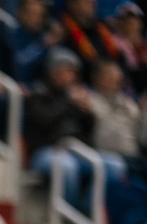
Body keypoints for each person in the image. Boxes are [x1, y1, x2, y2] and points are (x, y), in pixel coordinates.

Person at [24, 46, 127, 206]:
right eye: (68, 71)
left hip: (77, 151)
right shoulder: (38, 93)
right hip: (47, 150)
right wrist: (68, 102)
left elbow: (88, 130)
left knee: (115, 165)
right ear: (54, 71)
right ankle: (67, 212)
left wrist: (87, 113)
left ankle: (85, 209)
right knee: (67, 166)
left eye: (74, 72)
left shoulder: (74, 95)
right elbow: (43, 121)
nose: (73, 76)